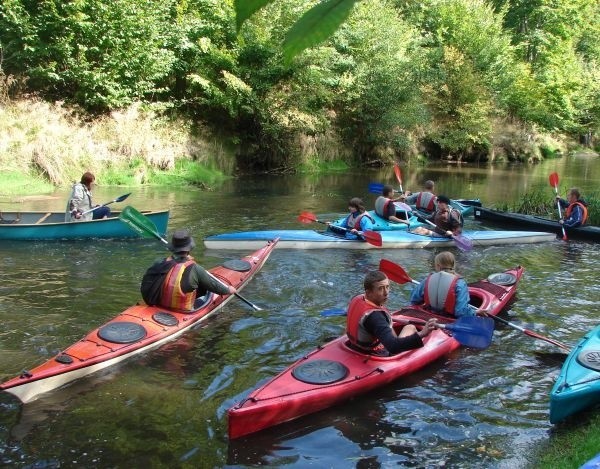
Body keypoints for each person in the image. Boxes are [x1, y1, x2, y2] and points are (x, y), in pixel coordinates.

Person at [346, 270, 438, 355]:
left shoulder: (358, 298)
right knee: (411, 328)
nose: (386, 293)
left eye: (387, 287)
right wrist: (423, 333)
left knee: (403, 327)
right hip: (374, 354)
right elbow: (393, 347)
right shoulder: (375, 317)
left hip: (354, 347)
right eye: (380, 289)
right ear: (368, 292)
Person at [145, 229, 237, 312]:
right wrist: (228, 290)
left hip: (160, 304)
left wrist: (184, 259)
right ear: (189, 249)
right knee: (205, 297)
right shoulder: (195, 268)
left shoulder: (160, 262)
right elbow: (215, 287)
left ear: (173, 249)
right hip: (183, 311)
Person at [410, 251, 487, 318]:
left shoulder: (427, 279)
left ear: (438, 266)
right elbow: (460, 312)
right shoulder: (460, 283)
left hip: (428, 316)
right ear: (453, 265)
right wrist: (475, 312)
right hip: (449, 319)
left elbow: (414, 299)